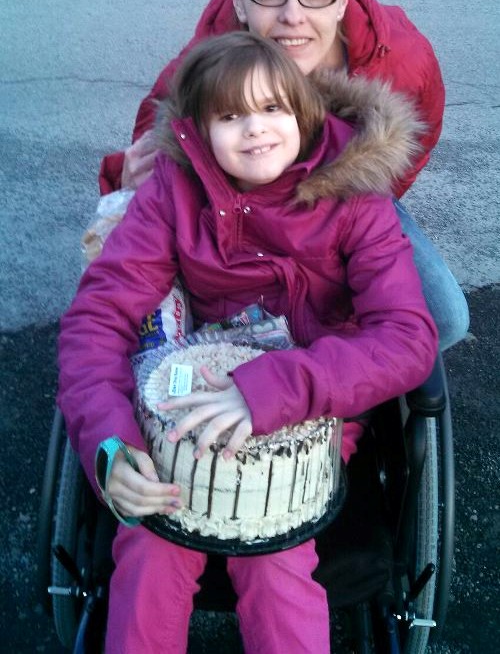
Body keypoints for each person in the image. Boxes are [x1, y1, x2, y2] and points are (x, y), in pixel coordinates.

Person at [59, 32, 438, 654]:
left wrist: (272, 389)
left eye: (273, 109)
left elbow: (406, 338)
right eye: (230, 115)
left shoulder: (356, 201)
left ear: (304, 113)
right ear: (199, 131)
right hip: (196, 389)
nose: (255, 129)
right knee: (152, 539)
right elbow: (96, 320)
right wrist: (108, 444)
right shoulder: (172, 194)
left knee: (274, 555)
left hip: (314, 402)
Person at [97, 0, 469, 351]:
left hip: (343, 192)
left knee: (443, 318)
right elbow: (159, 130)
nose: (292, 15)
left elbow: (414, 144)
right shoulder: (216, 46)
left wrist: (359, 218)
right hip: (235, 188)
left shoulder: (401, 58)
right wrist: (128, 180)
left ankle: (390, 402)